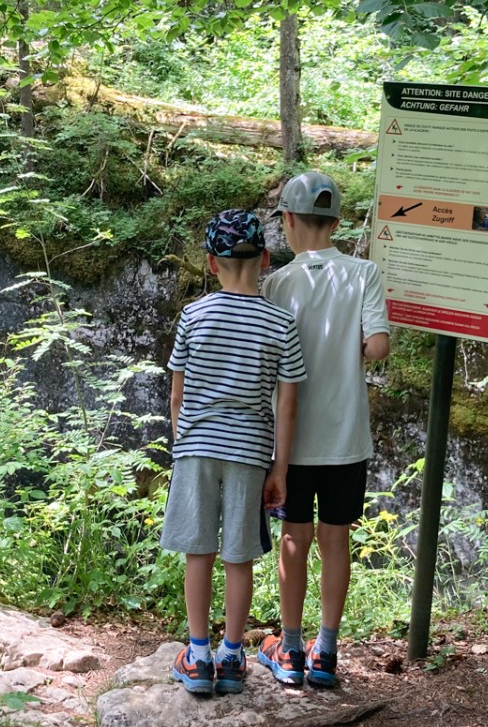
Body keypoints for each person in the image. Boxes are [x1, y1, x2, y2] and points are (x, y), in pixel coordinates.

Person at [162, 209, 306, 696]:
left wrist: (182, 444)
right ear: (265, 259)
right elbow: (287, 405)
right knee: (238, 555)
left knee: (198, 550)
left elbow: (177, 395)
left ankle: (197, 654)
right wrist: (279, 469)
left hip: (197, 448)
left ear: (210, 264)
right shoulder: (280, 323)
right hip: (249, 451)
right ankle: (231, 653)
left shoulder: (193, 315)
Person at [256, 171, 390, 688]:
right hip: (346, 438)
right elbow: (377, 346)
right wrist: (350, 352)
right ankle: (327, 650)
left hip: (291, 441)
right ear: (335, 222)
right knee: (337, 540)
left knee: (295, 538)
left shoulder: (277, 284)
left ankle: (289, 650)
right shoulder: (364, 274)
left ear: (288, 222)